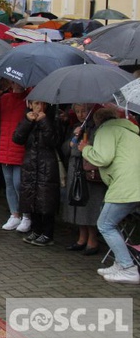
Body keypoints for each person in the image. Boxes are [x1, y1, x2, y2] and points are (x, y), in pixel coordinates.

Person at [81, 108, 140, 284]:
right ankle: (120, 264)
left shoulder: (106, 130)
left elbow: (103, 158)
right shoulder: (130, 130)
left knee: (105, 224)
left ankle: (128, 268)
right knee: (111, 222)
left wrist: (86, 149)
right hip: (133, 185)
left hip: (125, 185)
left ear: (98, 121)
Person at [12, 100, 61, 247]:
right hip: (30, 163)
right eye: (35, 104)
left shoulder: (53, 120)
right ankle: (36, 229)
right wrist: (28, 121)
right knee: (31, 196)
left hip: (47, 163)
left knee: (45, 198)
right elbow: (17, 138)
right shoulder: (27, 119)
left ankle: (47, 233)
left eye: (41, 104)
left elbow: (54, 141)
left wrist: (44, 121)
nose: (38, 107)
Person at [61, 104, 106, 255]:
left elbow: (83, 151)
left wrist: (78, 146)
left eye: (84, 111)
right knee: (77, 204)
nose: (80, 114)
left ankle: (92, 240)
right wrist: (73, 138)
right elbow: (65, 149)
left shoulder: (96, 129)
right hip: (75, 171)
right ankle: (82, 237)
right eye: (78, 111)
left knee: (89, 205)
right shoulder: (76, 127)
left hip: (89, 173)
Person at [0, 82, 29, 231]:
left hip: (20, 146)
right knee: (9, 184)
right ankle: (14, 214)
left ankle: (26, 216)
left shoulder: (29, 98)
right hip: (5, 145)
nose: (16, 85)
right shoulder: (4, 98)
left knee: (19, 183)